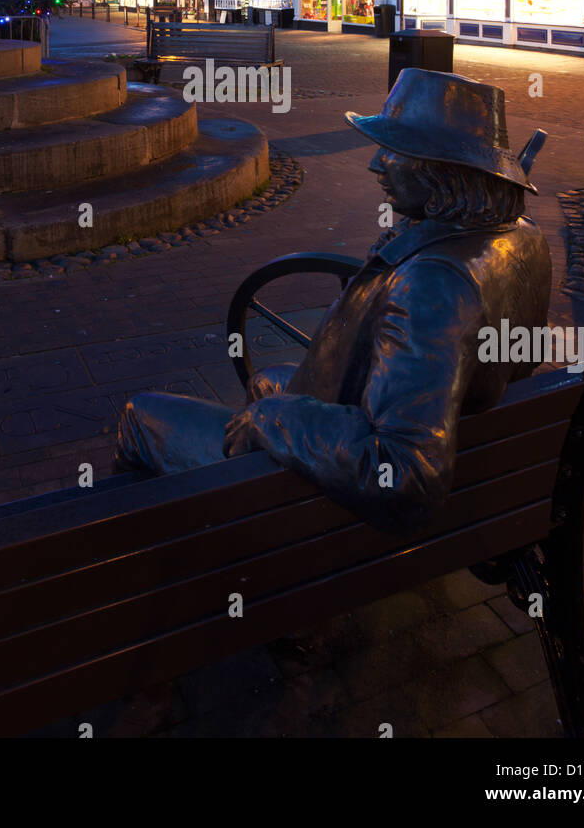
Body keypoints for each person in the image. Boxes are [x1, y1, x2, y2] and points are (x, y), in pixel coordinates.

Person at [116, 69, 552, 535]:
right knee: (269, 380)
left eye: (396, 151)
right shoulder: (524, 239)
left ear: (445, 169)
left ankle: (158, 557)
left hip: (341, 522)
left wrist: (276, 420)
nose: (376, 165)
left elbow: (407, 474)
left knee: (141, 416)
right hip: (476, 451)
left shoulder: (434, 283)